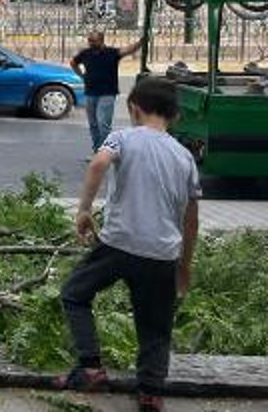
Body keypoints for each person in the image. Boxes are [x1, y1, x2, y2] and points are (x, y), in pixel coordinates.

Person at [55, 78, 200, 412]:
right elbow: (191, 220)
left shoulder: (122, 137)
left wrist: (83, 210)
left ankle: (90, 367)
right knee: (155, 325)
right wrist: (184, 264)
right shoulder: (185, 157)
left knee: (74, 294)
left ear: (134, 109)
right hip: (162, 254)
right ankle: (150, 392)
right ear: (175, 116)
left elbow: (98, 163)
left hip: (118, 244)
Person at [71, 32, 144, 154]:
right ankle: (96, 149)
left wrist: (141, 42)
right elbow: (73, 63)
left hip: (107, 93)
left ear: (101, 40)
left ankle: (103, 151)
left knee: (103, 123)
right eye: (89, 41)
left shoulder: (111, 52)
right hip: (90, 92)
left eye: (93, 41)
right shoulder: (85, 53)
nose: (91, 43)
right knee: (93, 124)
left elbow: (128, 50)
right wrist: (81, 75)